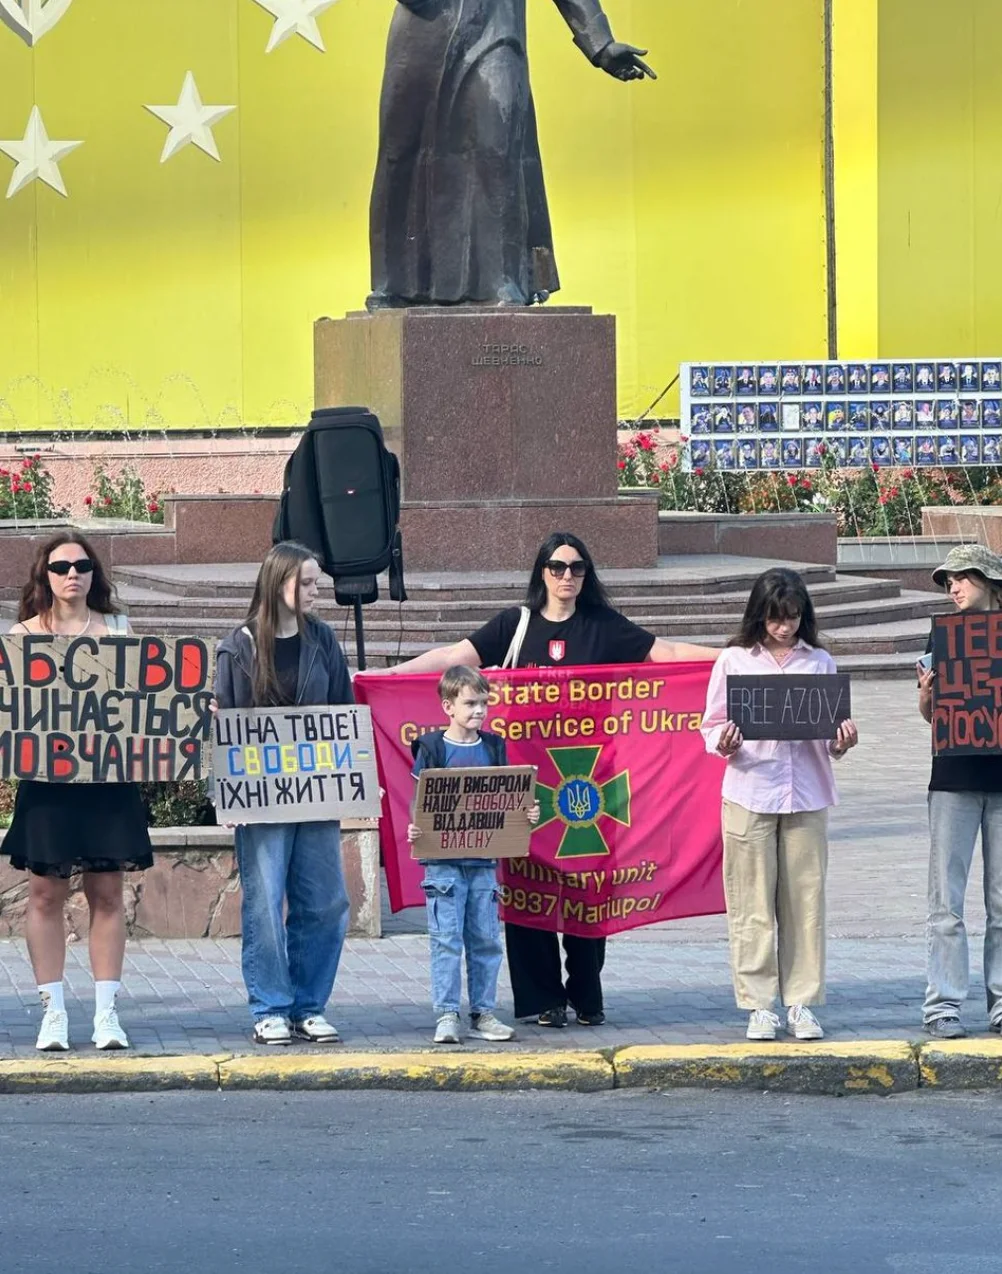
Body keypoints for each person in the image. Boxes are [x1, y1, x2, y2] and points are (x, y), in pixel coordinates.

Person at [387, 532, 717, 1028]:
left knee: (588, 887)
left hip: (592, 785)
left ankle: (586, 993)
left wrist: (733, 660)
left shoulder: (603, 626)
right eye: (558, 567)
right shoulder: (514, 626)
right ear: (540, 571)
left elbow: (664, 654)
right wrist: (387, 676)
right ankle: (542, 999)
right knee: (525, 888)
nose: (567, 576)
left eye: (577, 568)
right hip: (524, 783)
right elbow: (456, 660)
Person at [368, 0, 654, 308]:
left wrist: (600, 41)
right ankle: (396, 284)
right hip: (422, 30)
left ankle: (500, 280)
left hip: (497, 28)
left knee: (496, 144)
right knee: (403, 153)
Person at [1, 532, 153, 1052]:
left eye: (82, 565)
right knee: (44, 894)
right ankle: (54, 1012)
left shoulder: (118, 629)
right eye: (61, 565)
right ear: (44, 574)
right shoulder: (20, 637)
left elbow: (146, 700)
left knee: (107, 893)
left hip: (107, 780)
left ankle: (107, 1012)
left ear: (94, 574)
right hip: (47, 783)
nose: (72, 574)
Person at [701, 568, 858, 1042]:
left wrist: (842, 741)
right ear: (759, 616)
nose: (784, 628)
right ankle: (759, 1004)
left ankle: (803, 1003)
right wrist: (724, 742)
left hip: (807, 792)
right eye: (774, 619)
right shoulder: (733, 660)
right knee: (750, 901)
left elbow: (830, 731)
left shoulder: (820, 662)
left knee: (805, 901)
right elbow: (711, 726)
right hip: (750, 789)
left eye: (791, 618)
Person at [214, 542, 354, 1046]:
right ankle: (271, 1007)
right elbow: (224, 724)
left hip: (316, 793)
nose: (317, 593)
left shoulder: (323, 641)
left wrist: (356, 780)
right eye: (309, 584)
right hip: (261, 799)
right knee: (265, 904)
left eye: (318, 583)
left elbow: (344, 713)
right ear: (279, 585)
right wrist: (226, 796)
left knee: (327, 902)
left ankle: (309, 1005)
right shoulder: (240, 646)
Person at [408, 666, 540, 1043]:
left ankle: (483, 1012)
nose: (480, 710)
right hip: (443, 866)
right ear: (448, 706)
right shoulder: (432, 747)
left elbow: (511, 799)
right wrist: (415, 828)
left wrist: (529, 814)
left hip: (484, 863)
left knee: (485, 939)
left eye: (484, 702)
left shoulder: (494, 746)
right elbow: (420, 802)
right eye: (471, 703)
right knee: (446, 939)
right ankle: (446, 1014)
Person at [917, 545, 1002, 1039]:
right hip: (953, 779)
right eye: (948, 581)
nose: (953, 588)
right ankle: (943, 1004)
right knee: (945, 902)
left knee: (1001, 900)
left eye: (962, 578)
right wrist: (927, 696)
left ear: (989, 582)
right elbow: (934, 717)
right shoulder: (942, 634)